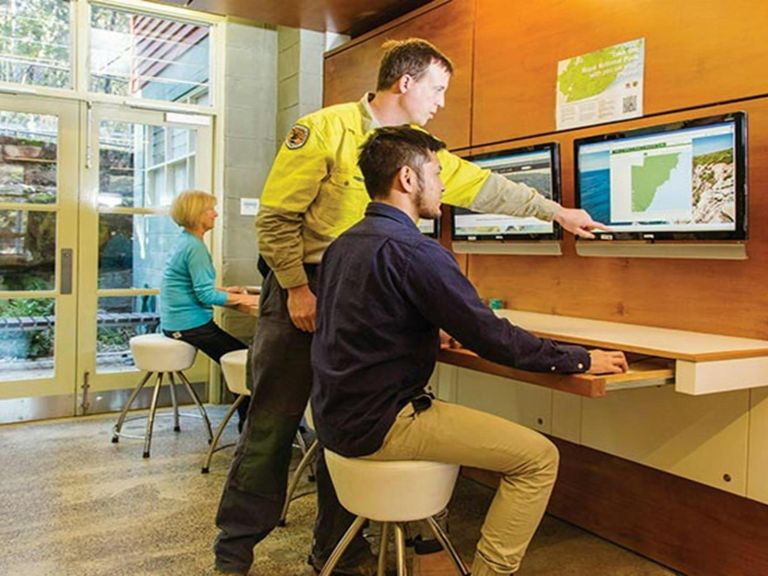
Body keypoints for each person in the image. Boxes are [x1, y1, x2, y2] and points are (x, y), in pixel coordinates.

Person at [213, 38, 609, 576]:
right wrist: (297, 289)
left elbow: (489, 189)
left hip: (357, 288)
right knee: (271, 428)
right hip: (303, 286)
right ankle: (232, 554)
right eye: (438, 88)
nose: (442, 100)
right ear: (406, 82)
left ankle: (338, 550)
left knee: (344, 422)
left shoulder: (421, 153)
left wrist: (557, 212)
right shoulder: (325, 130)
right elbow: (276, 219)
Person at [311, 125, 629, 576]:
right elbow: (493, 339)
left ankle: (431, 550)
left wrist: (427, 330)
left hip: (335, 415)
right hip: (382, 423)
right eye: (437, 173)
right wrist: (580, 358)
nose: (443, 186)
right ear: (407, 179)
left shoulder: (344, 244)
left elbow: (361, 321)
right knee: (538, 459)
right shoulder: (415, 251)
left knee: (459, 418)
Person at [160, 190, 259, 431]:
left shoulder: (186, 241)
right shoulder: (195, 248)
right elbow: (205, 295)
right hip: (190, 326)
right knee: (253, 365)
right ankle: (252, 427)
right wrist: (251, 299)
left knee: (249, 359)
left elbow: (195, 287)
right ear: (196, 215)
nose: (215, 214)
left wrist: (229, 290)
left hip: (177, 323)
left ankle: (252, 422)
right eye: (210, 210)